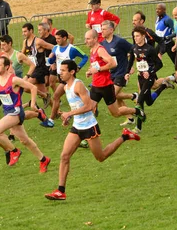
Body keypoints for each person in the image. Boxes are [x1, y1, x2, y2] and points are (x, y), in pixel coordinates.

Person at [44, 60, 140, 201]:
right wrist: (68, 117)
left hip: (89, 126)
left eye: (63, 70)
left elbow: (89, 106)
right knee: (64, 156)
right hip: (77, 127)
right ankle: (60, 191)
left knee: (101, 157)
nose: (60, 73)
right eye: (60, 70)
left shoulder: (79, 85)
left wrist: (70, 114)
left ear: (72, 72)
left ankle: (125, 136)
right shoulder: (66, 87)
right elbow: (76, 106)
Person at [0, 56, 51, 171]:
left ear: (7, 67)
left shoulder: (14, 80)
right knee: (25, 140)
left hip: (16, 112)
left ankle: (14, 151)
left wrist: (33, 104)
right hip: (7, 112)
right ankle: (43, 159)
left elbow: (33, 88)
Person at [84, 29, 145, 122]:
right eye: (85, 39)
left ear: (95, 39)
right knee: (89, 108)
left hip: (105, 86)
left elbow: (112, 63)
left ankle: (136, 111)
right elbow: (96, 64)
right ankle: (89, 131)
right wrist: (90, 71)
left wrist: (98, 69)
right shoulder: (92, 50)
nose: (85, 41)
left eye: (88, 39)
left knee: (116, 113)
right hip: (96, 85)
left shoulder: (100, 50)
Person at [126, 26, 169, 132]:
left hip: (149, 78)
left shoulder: (150, 49)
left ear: (143, 36)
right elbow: (130, 62)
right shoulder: (134, 48)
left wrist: (149, 72)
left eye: (137, 36)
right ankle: (163, 85)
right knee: (148, 102)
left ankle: (138, 126)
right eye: (134, 36)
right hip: (140, 77)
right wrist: (127, 73)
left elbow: (159, 64)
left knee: (139, 100)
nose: (135, 38)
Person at [100, 20, 137, 123]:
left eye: (104, 29)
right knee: (117, 97)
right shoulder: (102, 44)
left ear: (111, 30)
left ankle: (133, 96)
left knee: (113, 95)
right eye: (101, 29)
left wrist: (130, 66)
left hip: (122, 72)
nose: (101, 31)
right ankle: (130, 117)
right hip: (111, 73)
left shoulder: (119, 41)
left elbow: (133, 50)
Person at [48, 30, 89, 122]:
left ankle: (51, 119)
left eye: (58, 38)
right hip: (60, 75)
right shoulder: (55, 48)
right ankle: (90, 102)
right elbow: (51, 61)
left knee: (56, 96)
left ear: (65, 38)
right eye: (56, 38)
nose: (57, 40)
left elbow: (85, 57)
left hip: (68, 77)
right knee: (73, 95)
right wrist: (51, 59)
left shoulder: (72, 49)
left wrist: (79, 66)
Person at [22, 23, 55, 106]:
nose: (23, 34)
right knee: (43, 90)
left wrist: (53, 60)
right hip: (33, 69)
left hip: (40, 69)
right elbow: (22, 55)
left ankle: (45, 95)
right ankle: (57, 112)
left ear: (31, 30)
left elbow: (54, 48)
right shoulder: (25, 42)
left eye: (25, 31)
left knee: (26, 87)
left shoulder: (38, 41)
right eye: (22, 32)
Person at [155, 3, 176, 68]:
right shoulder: (157, 19)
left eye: (159, 9)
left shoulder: (168, 20)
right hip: (160, 43)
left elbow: (176, 32)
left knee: (176, 62)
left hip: (168, 44)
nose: (157, 10)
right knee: (152, 59)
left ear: (164, 10)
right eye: (156, 9)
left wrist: (168, 37)